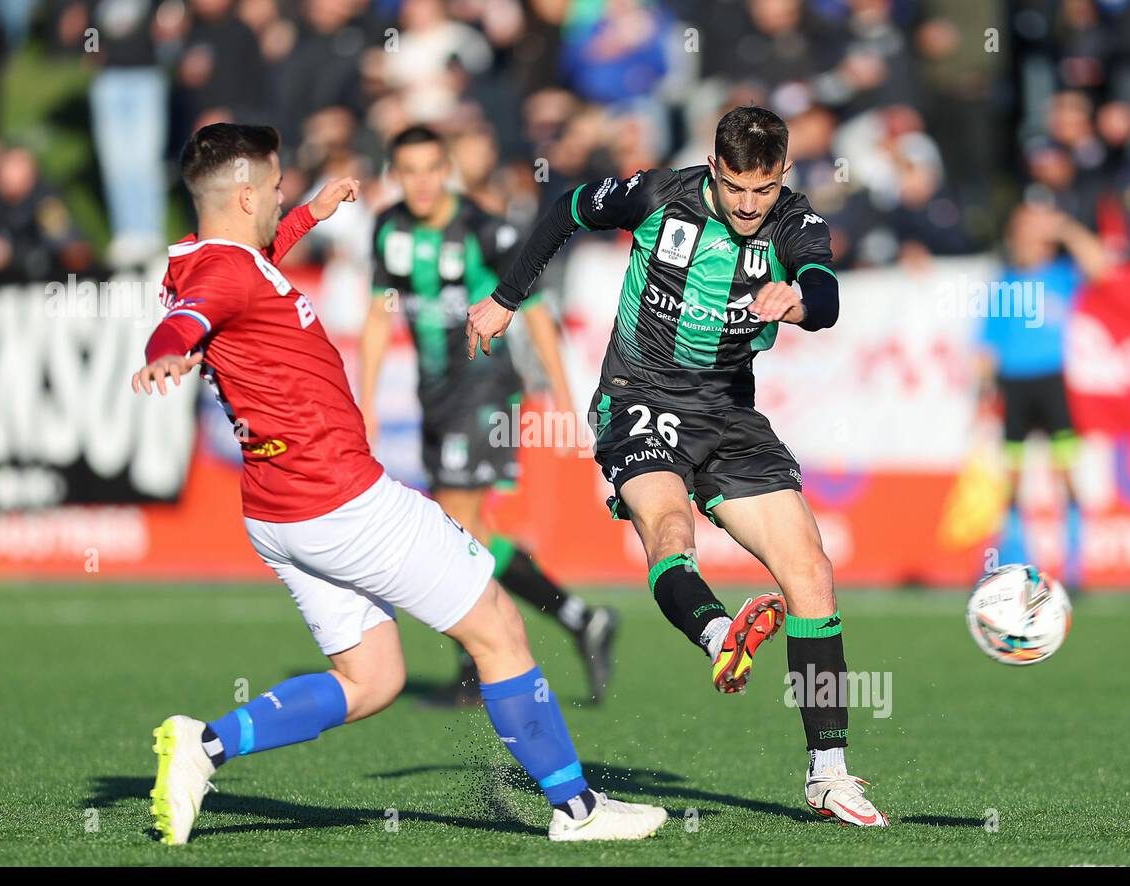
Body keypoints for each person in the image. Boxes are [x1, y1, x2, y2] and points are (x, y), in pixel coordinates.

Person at [131, 123, 666, 845]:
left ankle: (205, 747)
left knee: (371, 680)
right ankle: (578, 810)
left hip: (278, 513)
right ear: (246, 191)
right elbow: (188, 320)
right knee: (500, 630)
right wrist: (164, 352)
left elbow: (232, 278)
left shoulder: (208, 258)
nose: (286, 190)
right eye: (279, 184)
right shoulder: (222, 276)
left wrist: (305, 217)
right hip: (343, 500)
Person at [466, 106, 888, 827]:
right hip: (639, 398)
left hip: (728, 413)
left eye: (764, 189)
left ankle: (829, 774)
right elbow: (565, 209)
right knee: (668, 528)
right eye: (736, 190)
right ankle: (722, 638)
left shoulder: (794, 222)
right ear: (713, 170)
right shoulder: (658, 196)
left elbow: (826, 294)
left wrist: (800, 302)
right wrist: (506, 299)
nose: (750, 206)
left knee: (812, 573)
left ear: (781, 175)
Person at [360, 125, 618, 707]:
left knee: (456, 524)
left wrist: (567, 400)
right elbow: (379, 317)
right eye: (409, 171)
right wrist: (366, 403)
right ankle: (580, 619)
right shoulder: (389, 229)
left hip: (486, 386)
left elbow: (535, 310)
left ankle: (484, 662)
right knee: (467, 532)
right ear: (394, 175)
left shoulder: (485, 228)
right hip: (436, 394)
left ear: (447, 167)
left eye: (432, 168)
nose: (422, 182)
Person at [976, 202, 1114, 588]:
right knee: (1013, 478)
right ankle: (1013, 560)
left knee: (1066, 473)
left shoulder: (1062, 276)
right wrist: (982, 395)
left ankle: (1074, 565)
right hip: (1013, 386)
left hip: (1054, 383)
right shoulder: (1004, 282)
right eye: (1022, 229)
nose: (1027, 237)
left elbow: (1102, 266)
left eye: (1034, 229)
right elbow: (986, 346)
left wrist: (1066, 227)